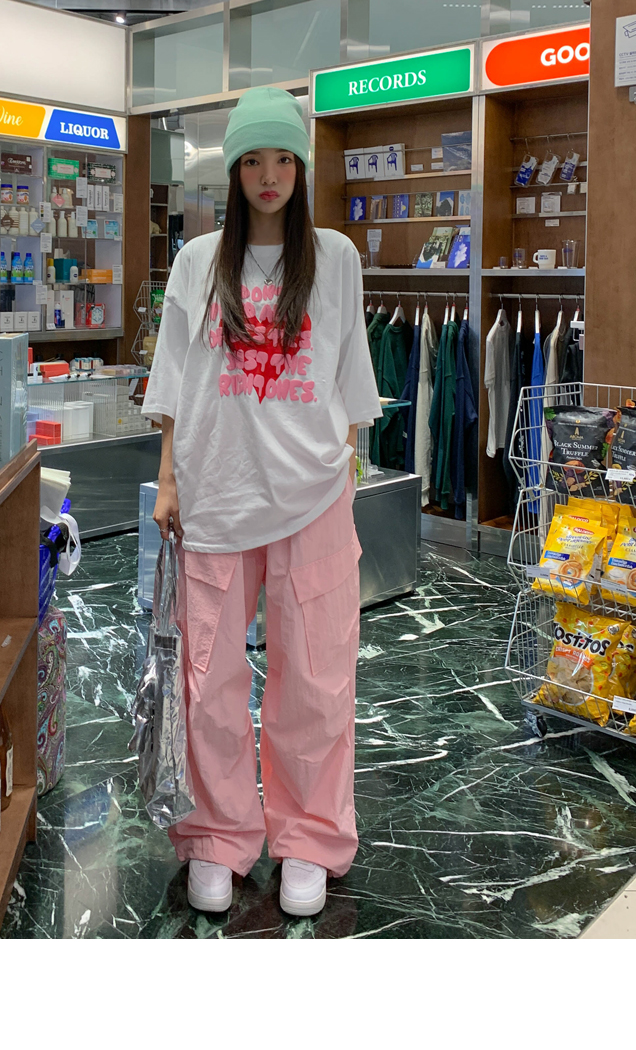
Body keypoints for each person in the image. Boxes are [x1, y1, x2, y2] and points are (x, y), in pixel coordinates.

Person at [142, 89, 380, 918]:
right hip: (217, 490)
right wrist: (170, 478)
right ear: (234, 171)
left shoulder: (336, 258)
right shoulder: (197, 261)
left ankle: (309, 834)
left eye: (283, 159)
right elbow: (173, 380)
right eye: (252, 160)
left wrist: (346, 468)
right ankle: (217, 834)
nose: (269, 175)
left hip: (313, 493)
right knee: (209, 674)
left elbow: (351, 377)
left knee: (316, 673)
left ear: (302, 167)